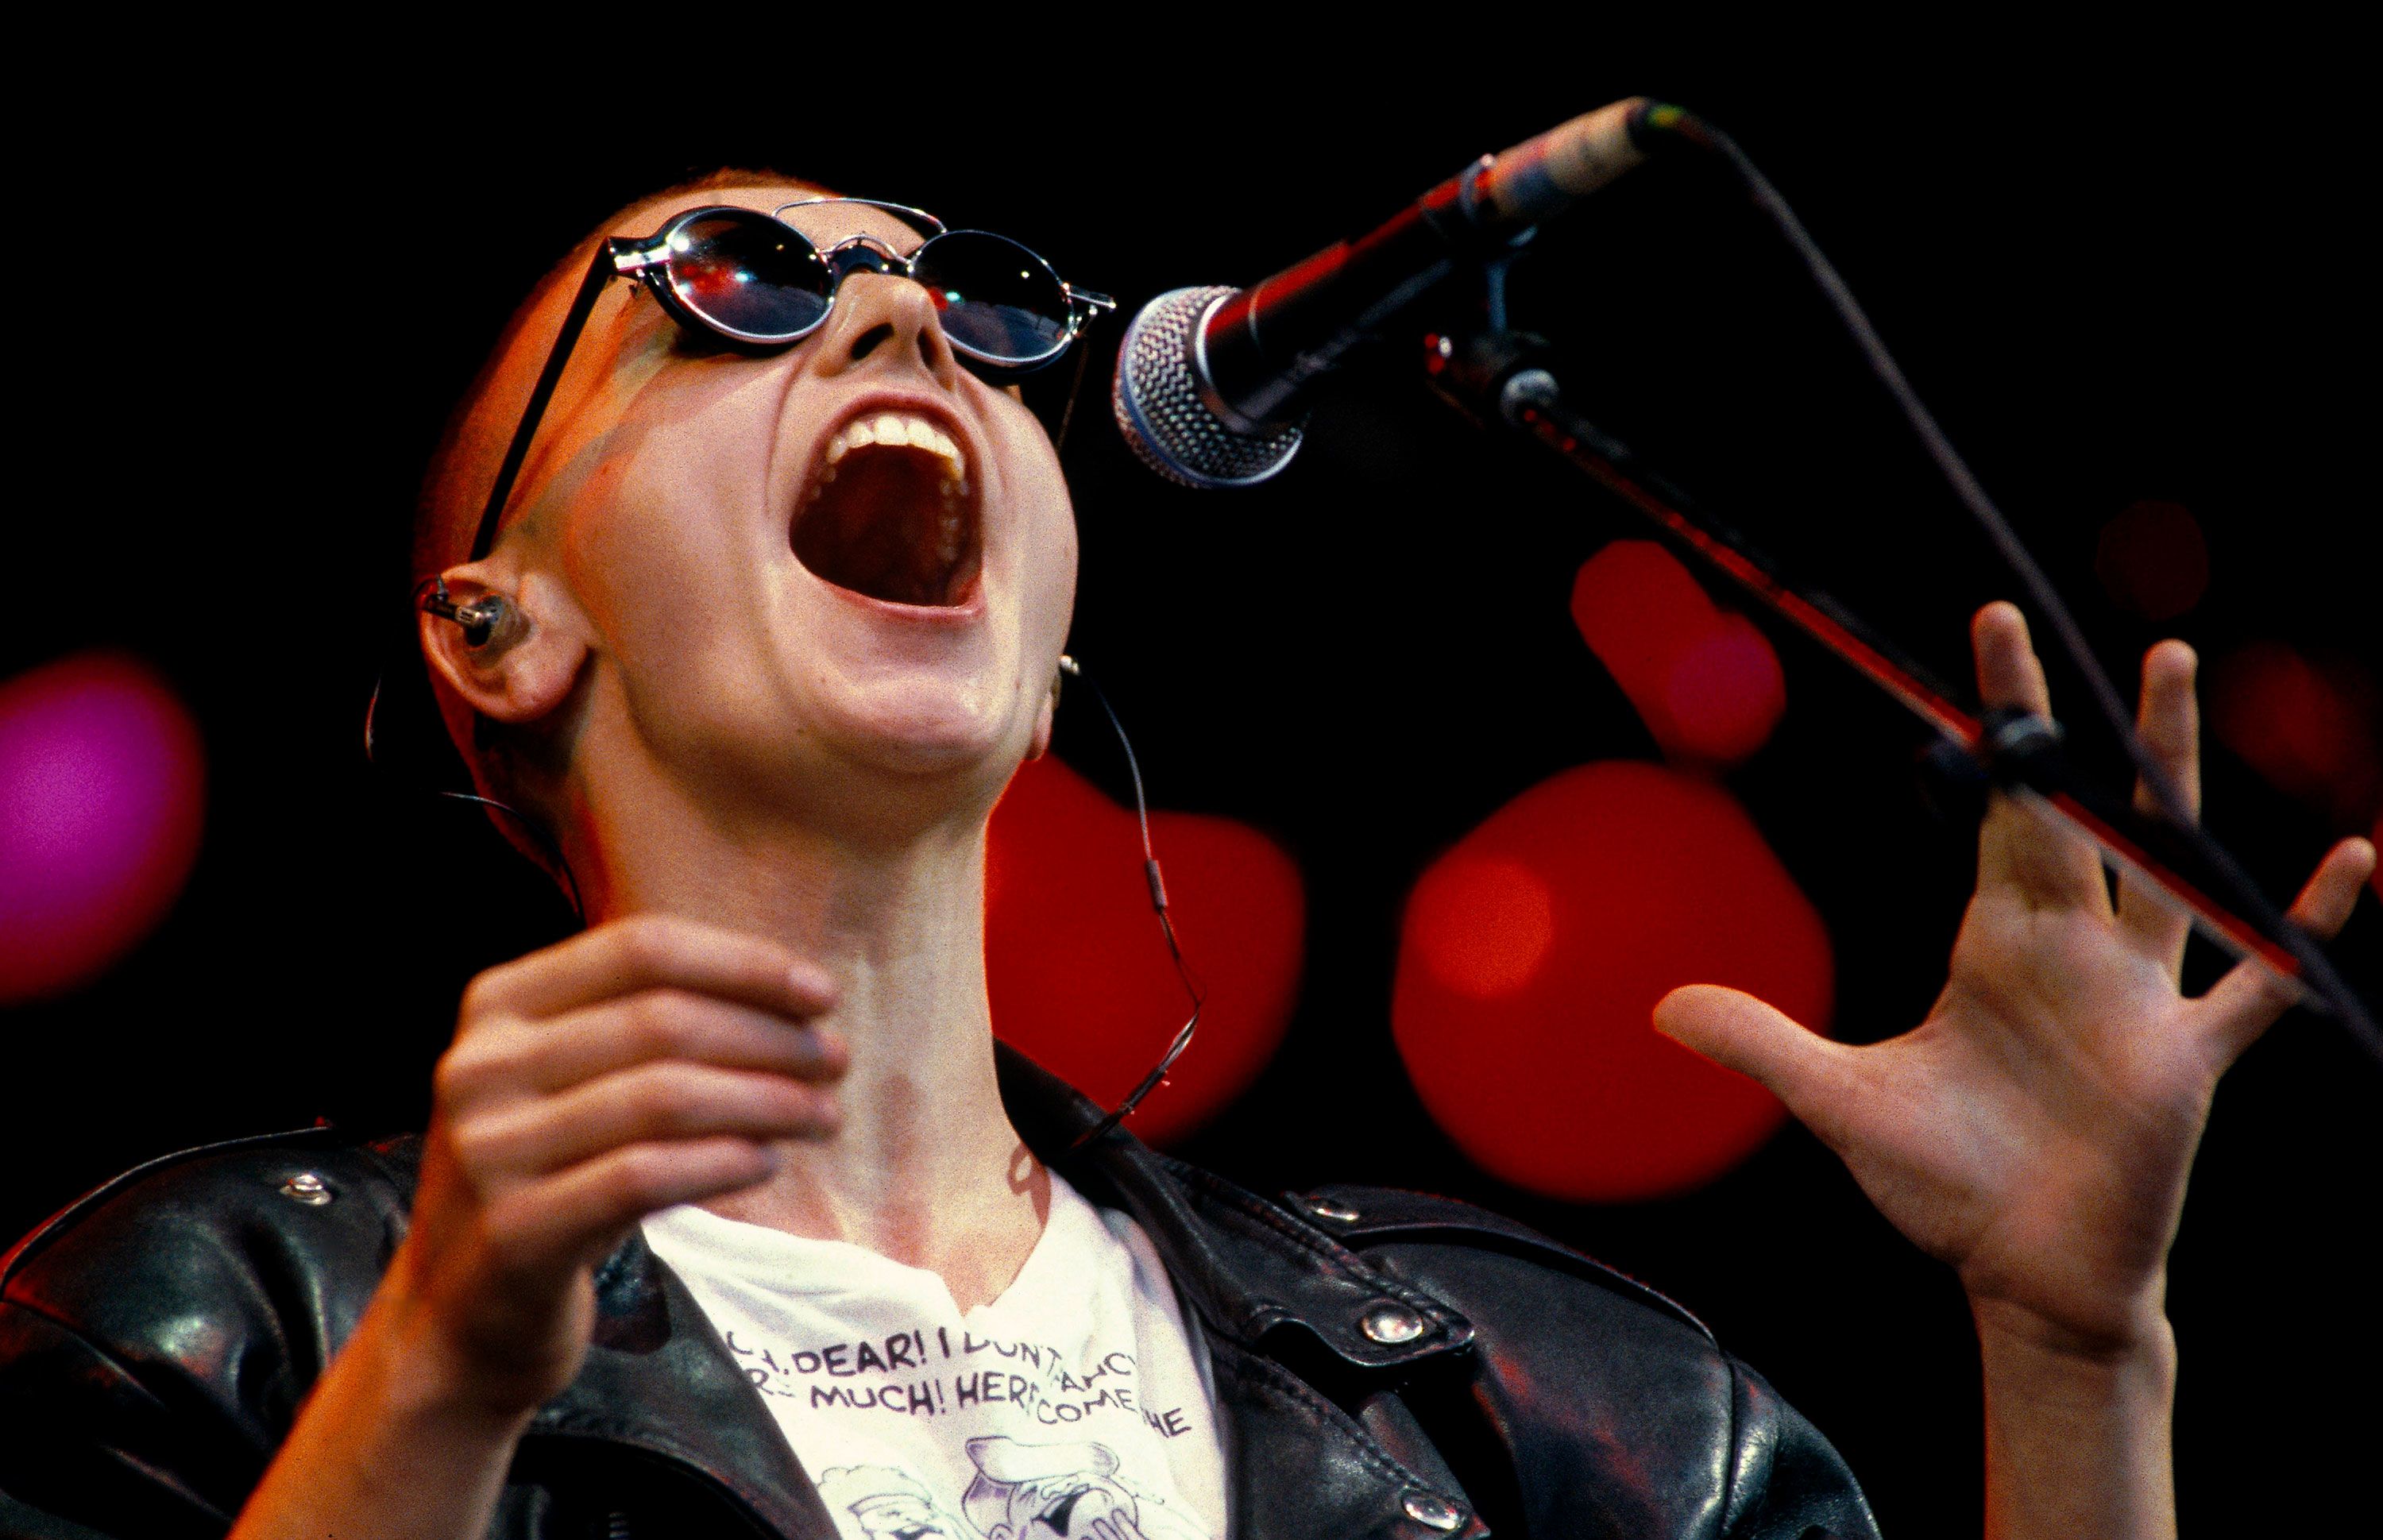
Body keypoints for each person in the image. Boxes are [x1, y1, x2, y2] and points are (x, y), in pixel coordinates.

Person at [0, 172, 2369, 1540]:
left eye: (975, 300)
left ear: (1044, 626)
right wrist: (431, 1386)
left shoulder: (1553, 1408)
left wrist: (2078, 1361)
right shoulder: (211, 1319)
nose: (910, 314)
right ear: (492, 627)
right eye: (732, 286)